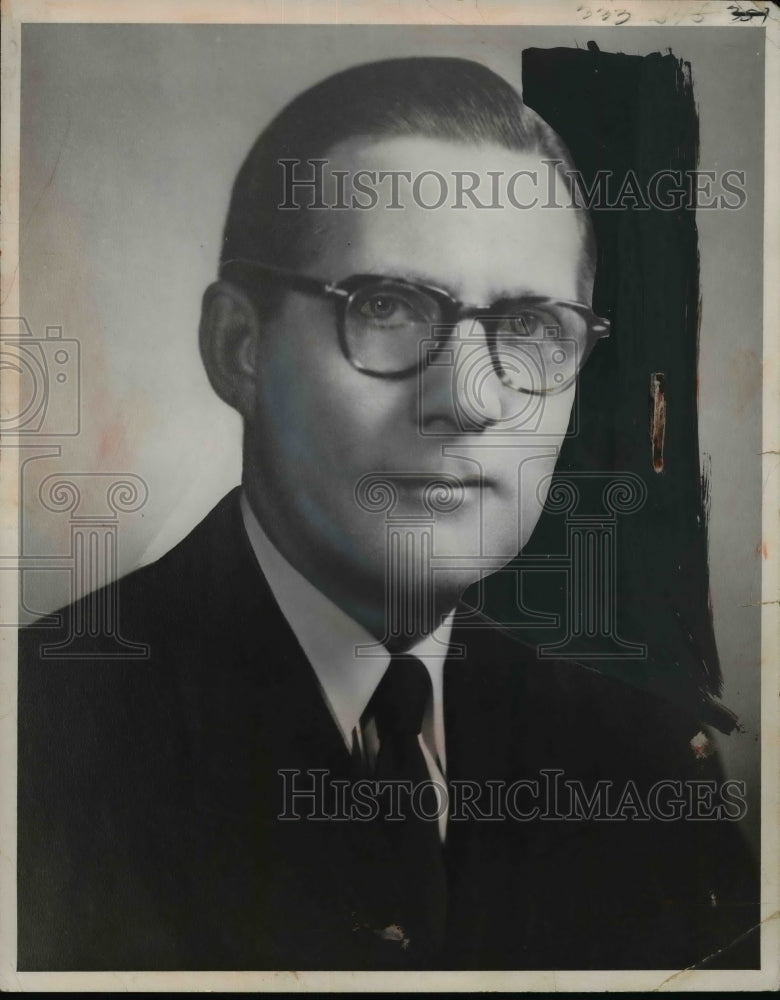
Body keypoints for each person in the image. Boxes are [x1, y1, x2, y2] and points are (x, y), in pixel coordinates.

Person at [18, 57, 758, 971]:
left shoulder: (645, 760)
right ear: (238, 349)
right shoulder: (38, 736)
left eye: (529, 326)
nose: (471, 400)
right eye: (388, 306)